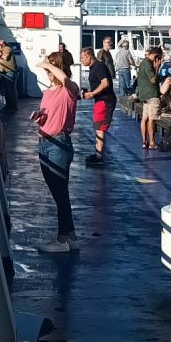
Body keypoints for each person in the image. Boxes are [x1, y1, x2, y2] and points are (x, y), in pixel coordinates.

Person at [32, 52, 81, 252]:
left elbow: (65, 79)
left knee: (60, 193)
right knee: (59, 193)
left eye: (49, 69)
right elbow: (48, 115)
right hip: (44, 142)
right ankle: (71, 236)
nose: (47, 73)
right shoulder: (49, 92)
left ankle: (62, 240)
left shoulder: (70, 90)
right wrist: (40, 118)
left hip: (58, 144)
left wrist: (48, 63)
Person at [78, 48, 116, 166]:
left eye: (83, 58)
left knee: (100, 128)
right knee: (98, 127)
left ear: (89, 56)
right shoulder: (94, 68)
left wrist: (92, 94)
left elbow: (105, 83)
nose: (81, 60)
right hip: (101, 100)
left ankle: (99, 156)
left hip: (104, 101)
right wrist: (90, 91)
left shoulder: (99, 67)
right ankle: (98, 153)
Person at [135, 46, 163, 149]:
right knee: (152, 119)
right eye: (159, 58)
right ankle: (152, 142)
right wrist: (157, 69)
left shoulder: (142, 63)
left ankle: (144, 141)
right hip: (152, 94)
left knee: (145, 118)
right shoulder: (148, 64)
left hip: (144, 95)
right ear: (156, 57)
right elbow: (153, 80)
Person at [0, 41, 18, 114]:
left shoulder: (7, 48)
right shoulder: (2, 50)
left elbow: (6, 57)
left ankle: (12, 108)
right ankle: (9, 106)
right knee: (7, 91)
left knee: (10, 91)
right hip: (4, 72)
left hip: (9, 72)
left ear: (2, 45)